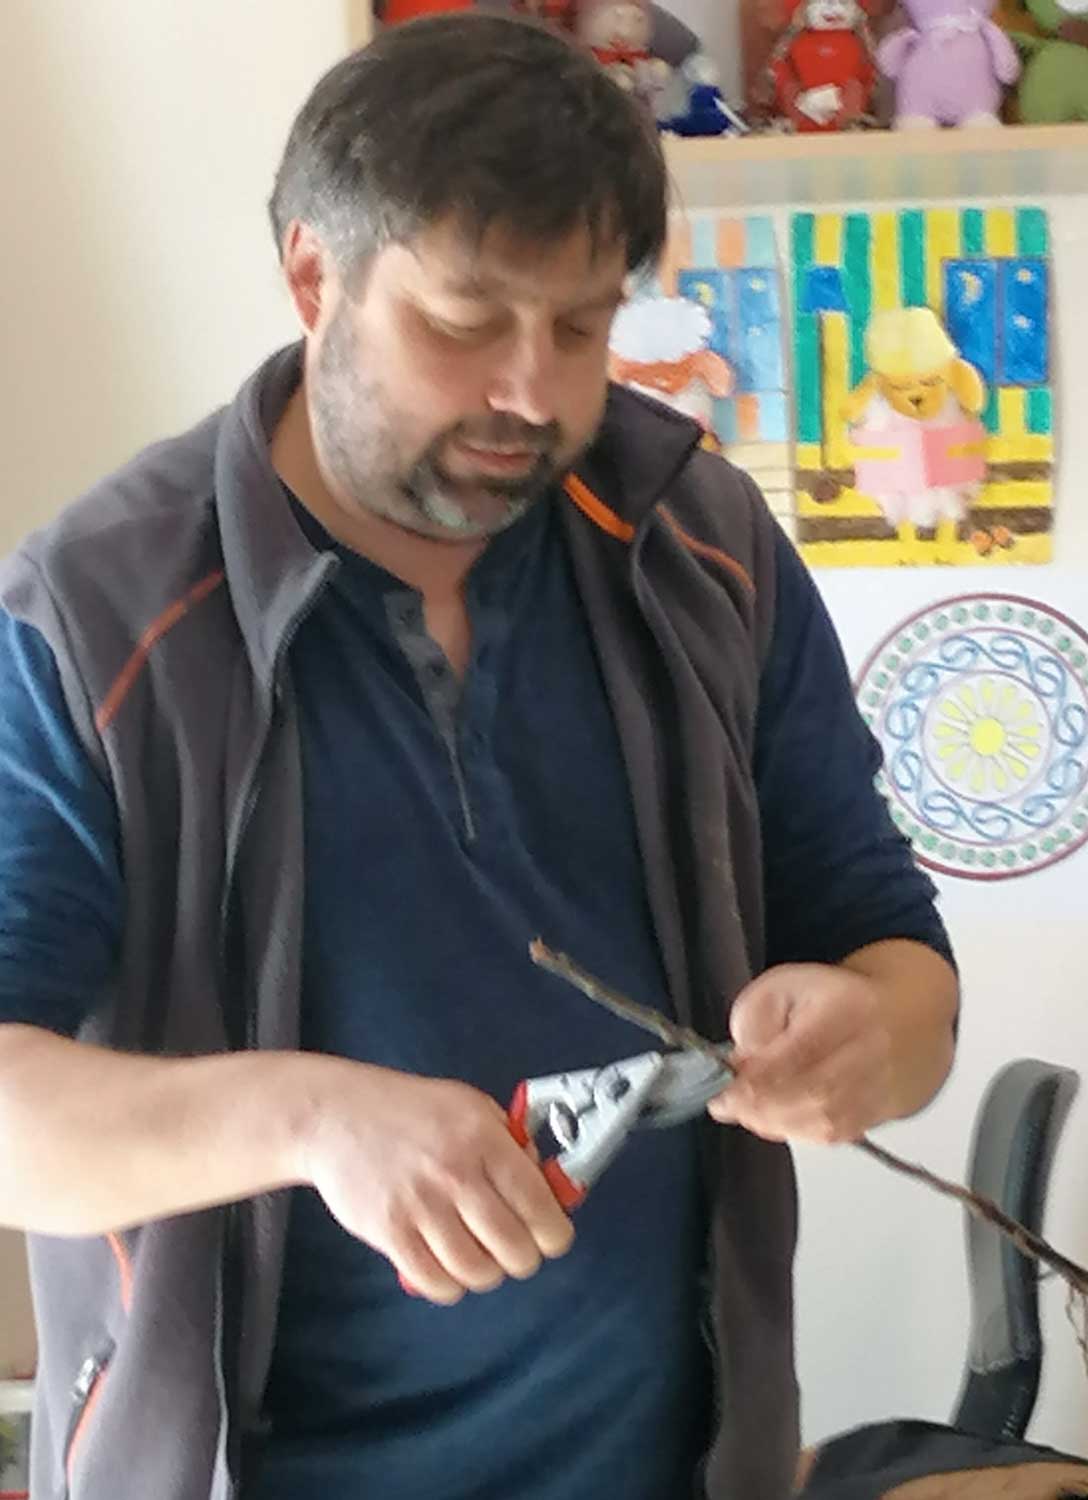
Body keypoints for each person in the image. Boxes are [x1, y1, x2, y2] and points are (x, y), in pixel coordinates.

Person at [0, 13, 957, 1500]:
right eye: (463, 322)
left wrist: (870, 1039)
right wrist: (312, 1118)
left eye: (581, 327)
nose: (534, 394)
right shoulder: (95, 613)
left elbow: (896, 957)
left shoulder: (698, 546)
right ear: (313, 274)